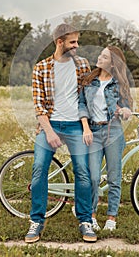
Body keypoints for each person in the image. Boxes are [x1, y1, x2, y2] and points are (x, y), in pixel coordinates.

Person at [25, 23, 97, 243]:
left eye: (77, 41)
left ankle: (85, 220)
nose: (77, 46)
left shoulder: (83, 65)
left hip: (76, 125)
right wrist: (49, 132)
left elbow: (91, 95)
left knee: (82, 172)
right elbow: (39, 106)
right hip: (51, 125)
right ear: (60, 42)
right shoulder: (42, 68)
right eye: (72, 42)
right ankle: (36, 220)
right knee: (39, 168)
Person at [79, 46, 133, 231]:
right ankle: (92, 215)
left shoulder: (119, 84)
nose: (99, 57)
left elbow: (127, 108)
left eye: (104, 56)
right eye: (100, 54)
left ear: (113, 62)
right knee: (93, 177)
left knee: (113, 177)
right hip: (92, 132)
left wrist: (126, 111)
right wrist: (86, 127)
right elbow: (82, 105)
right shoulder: (89, 80)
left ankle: (111, 217)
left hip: (113, 132)